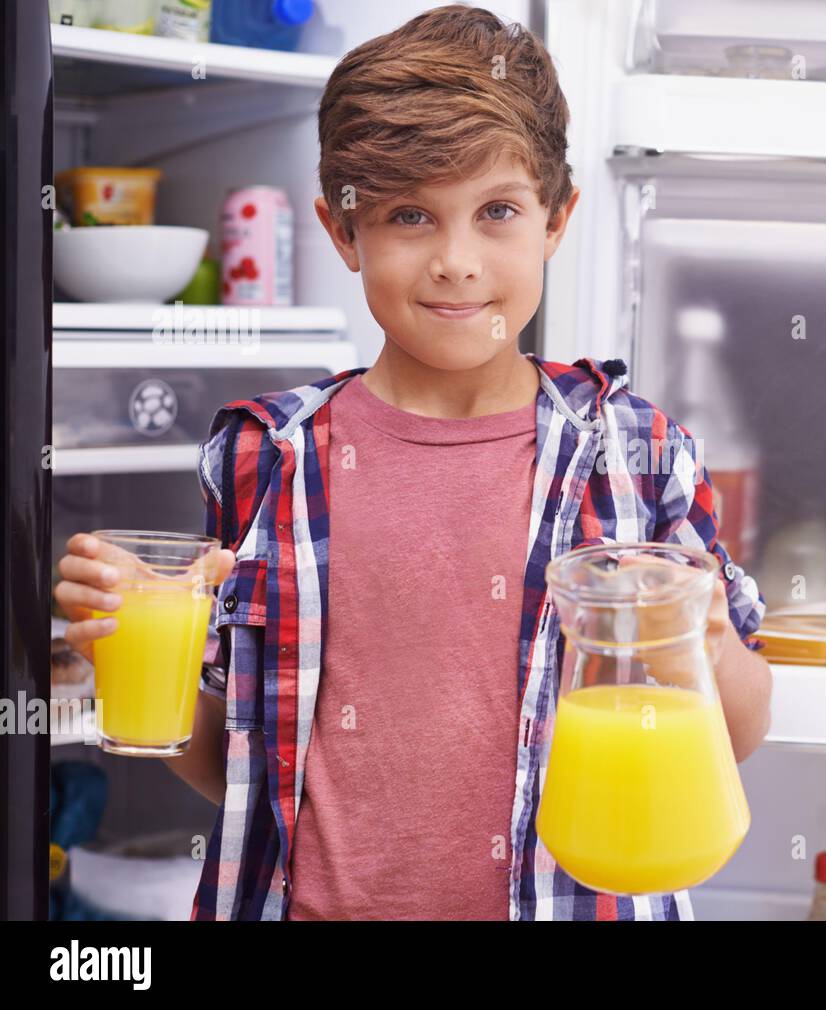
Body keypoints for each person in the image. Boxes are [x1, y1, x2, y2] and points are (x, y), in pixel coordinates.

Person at [52, 5, 769, 922]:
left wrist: (702, 641)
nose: (457, 263)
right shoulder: (263, 455)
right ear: (343, 232)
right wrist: (124, 648)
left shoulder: (636, 453)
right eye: (408, 217)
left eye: (498, 211)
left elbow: (737, 733)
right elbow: (239, 759)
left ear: (557, 219)